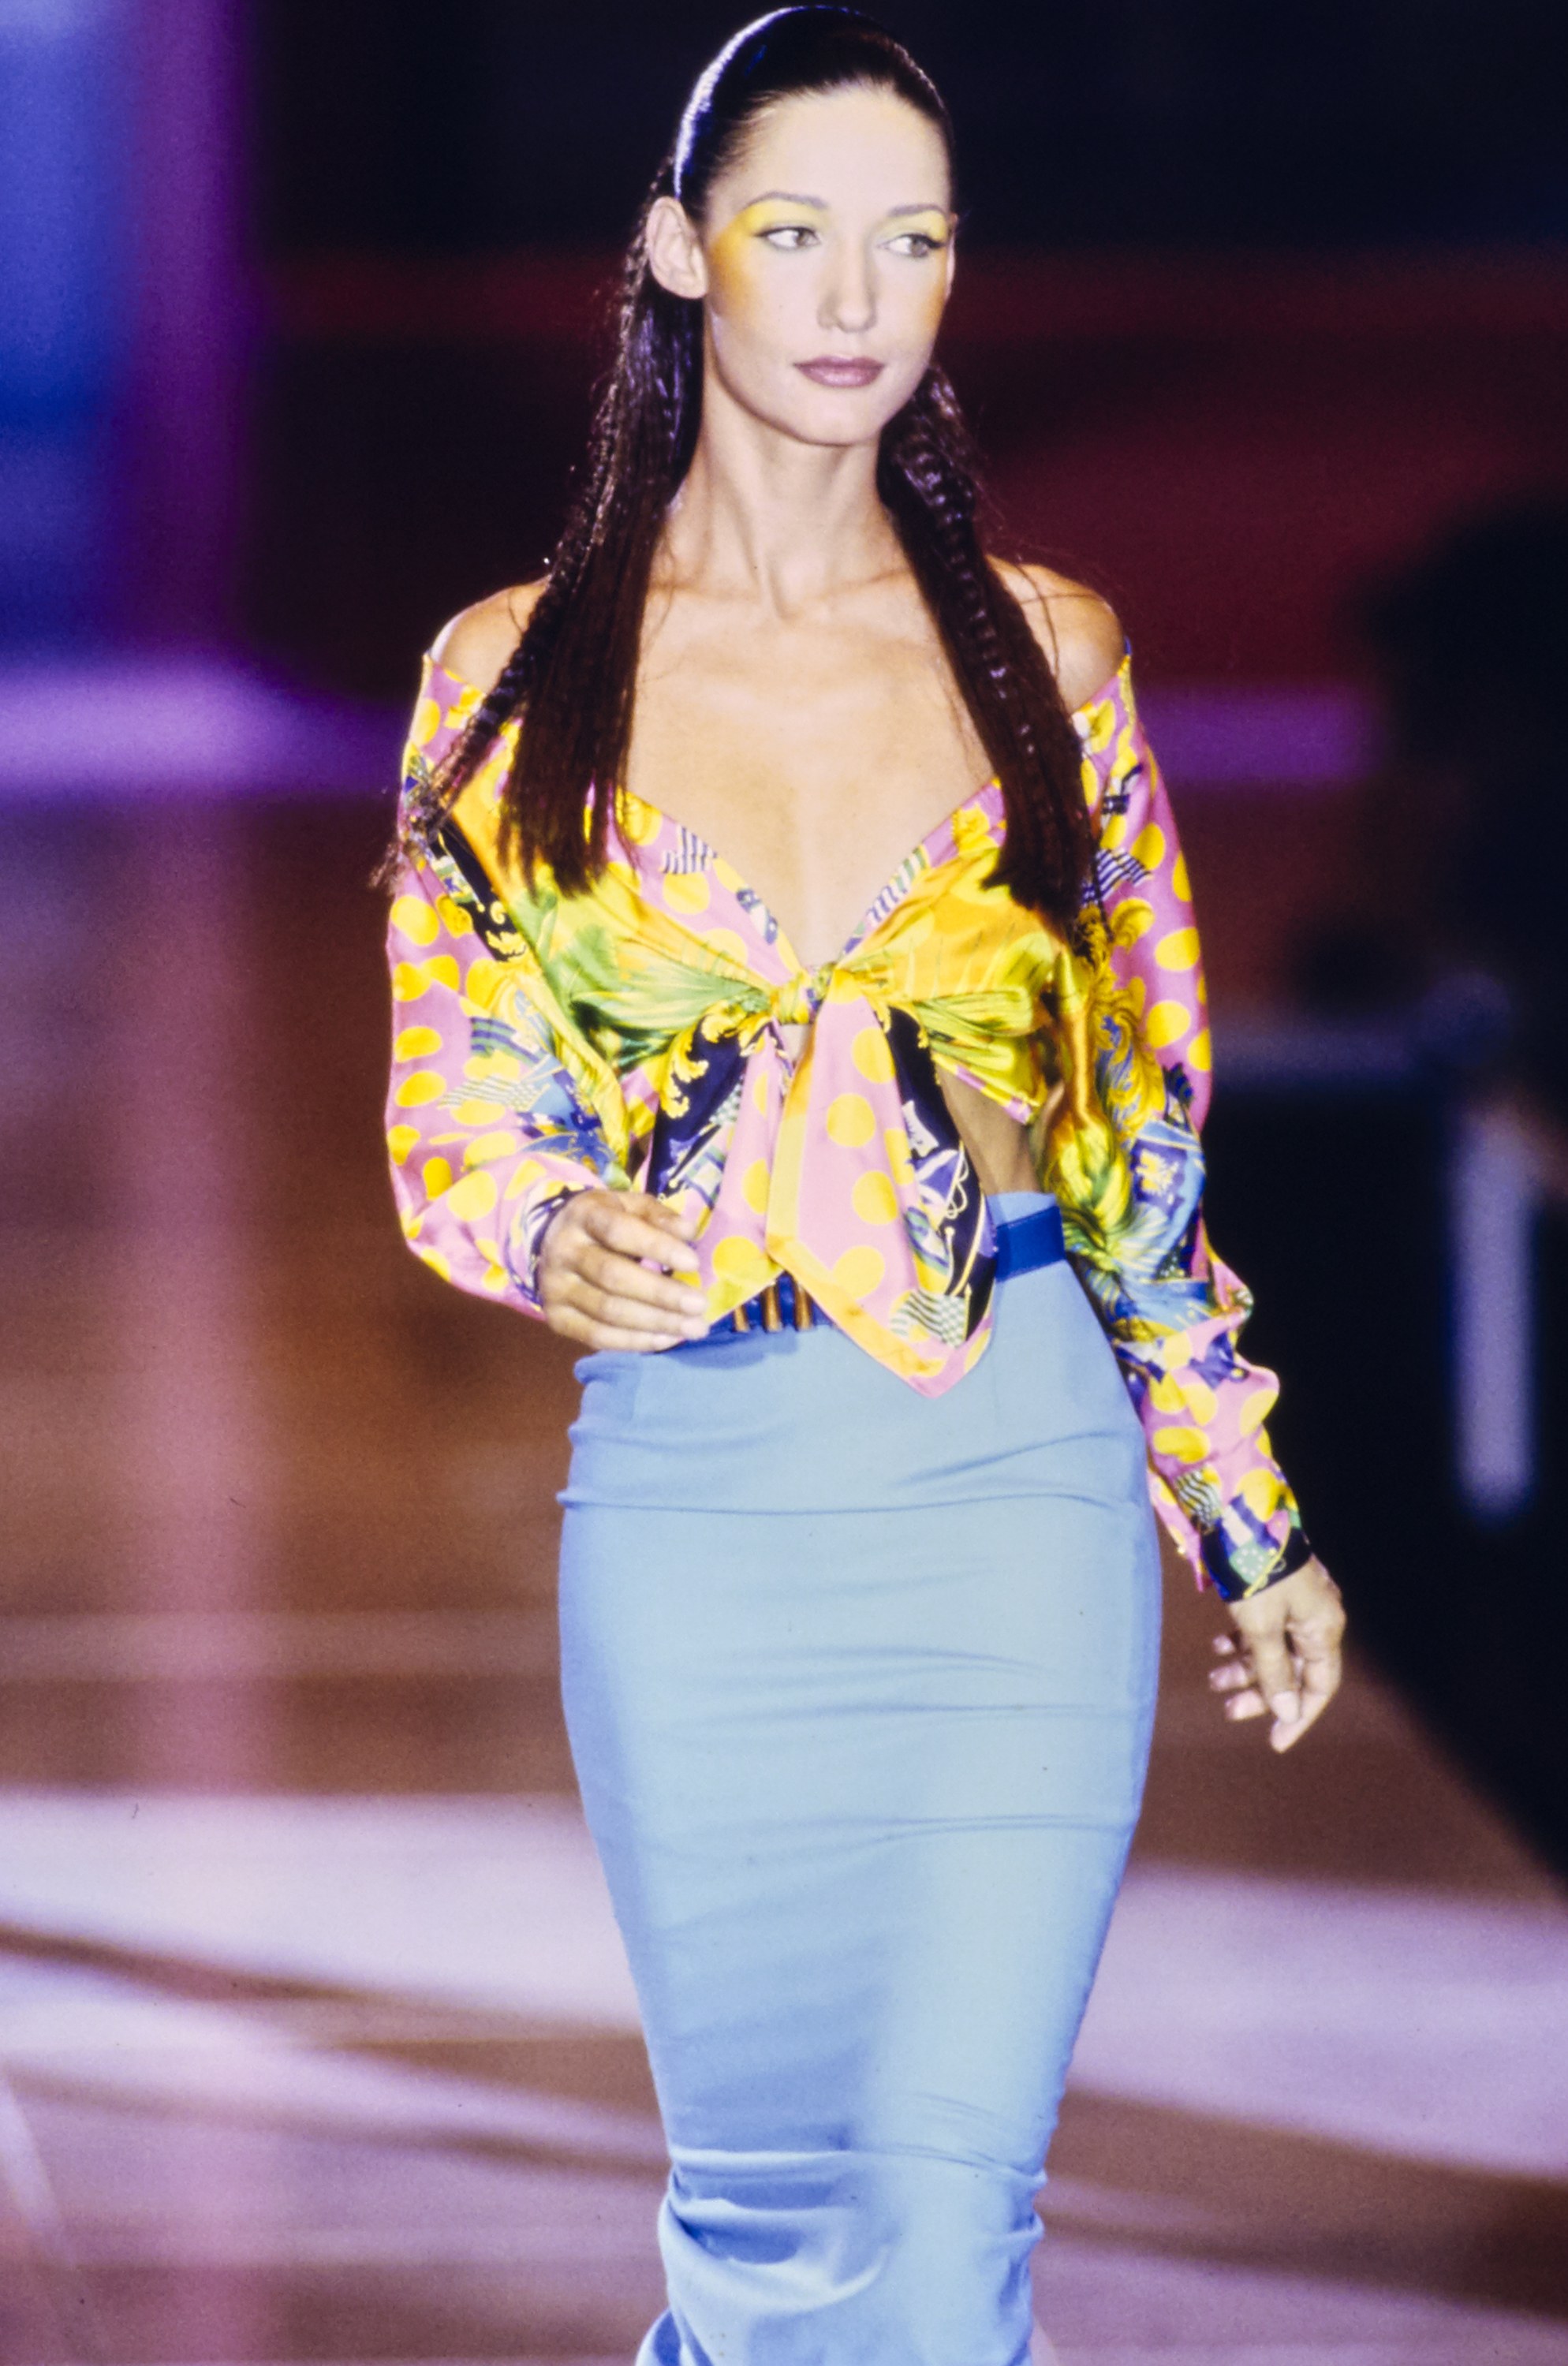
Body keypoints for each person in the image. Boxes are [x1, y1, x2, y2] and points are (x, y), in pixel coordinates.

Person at [383, 11, 1346, 2359]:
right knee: (764, 2238)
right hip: (695, 1506)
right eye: (796, 232)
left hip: (1007, 1486)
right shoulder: (516, 681)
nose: (853, 297)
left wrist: (1243, 1507)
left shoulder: (1048, 657)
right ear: (675, 250)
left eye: (911, 243)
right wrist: (543, 1227)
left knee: (933, 2231)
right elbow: (455, 1102)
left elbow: (1136, 1135)